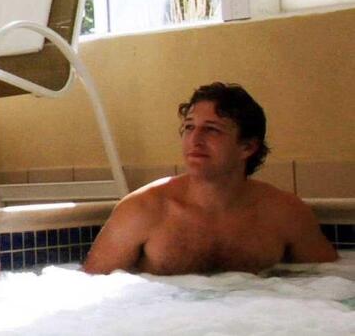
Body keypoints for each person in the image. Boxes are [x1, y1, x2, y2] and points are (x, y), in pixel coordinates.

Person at [84, 82, 338, 275]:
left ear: (247, 147)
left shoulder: (284, 214)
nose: (195, 140)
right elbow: (95, 291)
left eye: (212, 130)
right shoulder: (143, 210)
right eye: (189, 127)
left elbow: (328, 283)